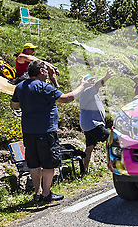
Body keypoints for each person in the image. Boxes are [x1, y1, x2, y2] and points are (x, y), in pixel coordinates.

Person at [10, 60, 94, 203]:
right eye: (46, 71)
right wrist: (83, 86)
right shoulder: (44, 87)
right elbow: (67, 98)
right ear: (41, 71)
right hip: (46, 131)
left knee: (34, 163)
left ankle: (37, 192)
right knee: (49, 163)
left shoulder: (20, 86)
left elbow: (14, 105)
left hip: (28, 131)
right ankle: (47, 194)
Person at [79, 70, 114, 174]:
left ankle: (85, 170)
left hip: (89, 125)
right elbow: (99, 84)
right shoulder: (87, 91)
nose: (93, 82)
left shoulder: (89, 93)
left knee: (89, 147)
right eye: (91, 80)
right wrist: (107, 77)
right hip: (93, 124)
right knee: (112, 140)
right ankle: (114, 165)